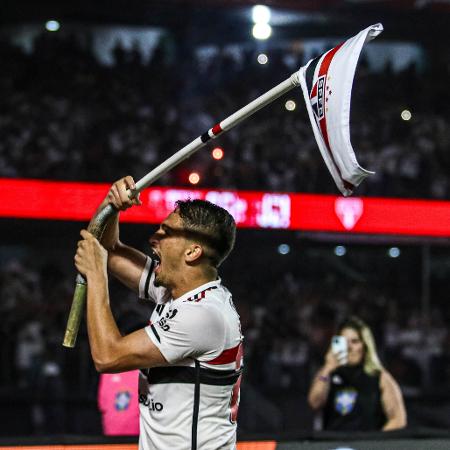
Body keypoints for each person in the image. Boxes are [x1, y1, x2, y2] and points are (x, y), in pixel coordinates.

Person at [75, 176, 243, 450]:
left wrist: (96, 277)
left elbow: (107, 357)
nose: (154, 239)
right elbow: (109, 251)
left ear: (192, 251)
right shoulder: (177, 291)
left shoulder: (202, 315)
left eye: (166, 232)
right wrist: (111, 206)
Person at [308, 316, 406, 431]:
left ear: (365, 346)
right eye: (344, 342)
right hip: (335, 445)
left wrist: (375, 442)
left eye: (354, 342)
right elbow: (314, 403)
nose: (349, 347)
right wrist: (327, 368)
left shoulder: (380, 377)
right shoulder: (328, 374)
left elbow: (398, 419)